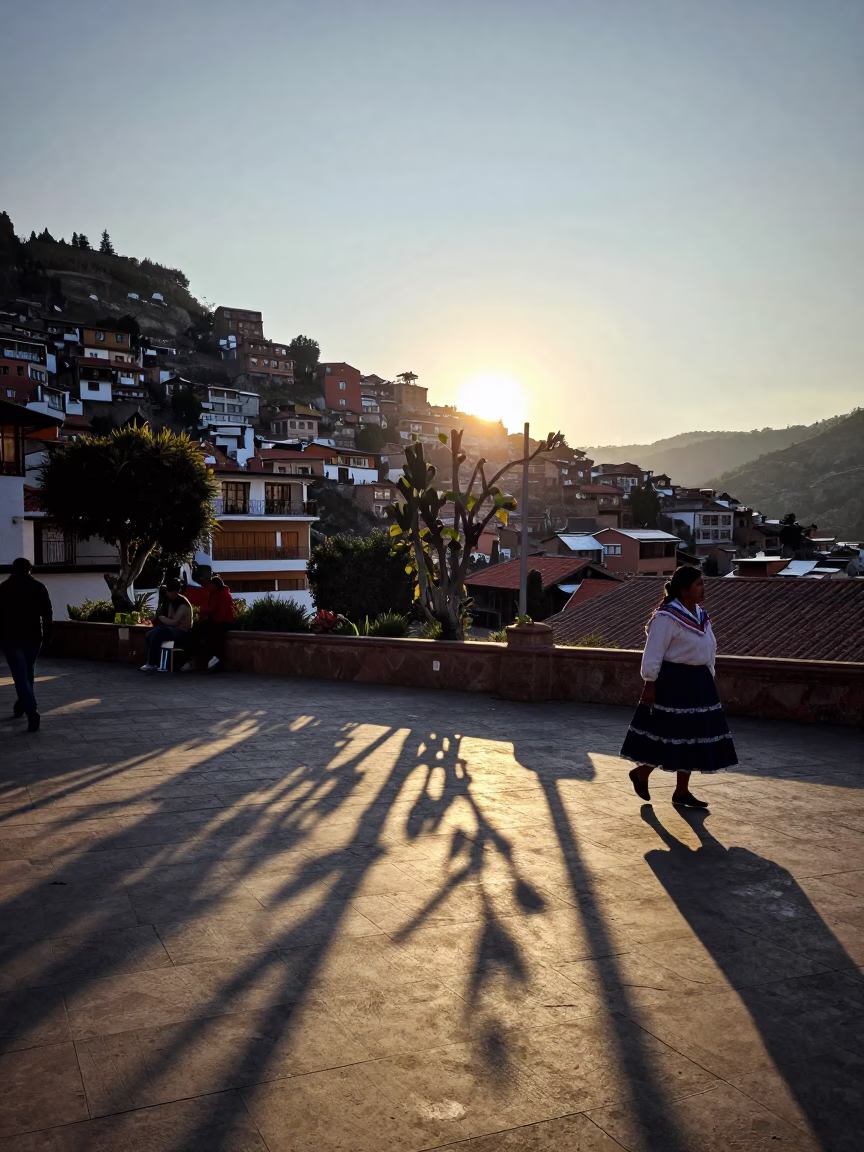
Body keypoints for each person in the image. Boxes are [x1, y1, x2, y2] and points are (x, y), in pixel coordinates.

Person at [621, 565, 737, 808]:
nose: (703, 588)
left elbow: (709, 650)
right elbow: (654, 651)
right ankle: (642, 773)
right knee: (669, 734)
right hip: (675, 682)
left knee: (693, 736)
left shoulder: (701, 616)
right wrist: (649, 682)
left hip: (699, 682)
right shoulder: (666, 617)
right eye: (699, 584)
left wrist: (709, 677)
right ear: (684, 590)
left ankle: (682, 791)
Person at [0, 557, 53, 732]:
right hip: (33, 636)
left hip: (11, 637)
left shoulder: (4, 588)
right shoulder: (38, 587)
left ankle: (30, 709)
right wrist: (48, 636)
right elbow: (47, 613)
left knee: (20, 674)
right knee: (27, 671)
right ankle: (23, 705)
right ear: (30, 569)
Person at [180, 574, 234, 671]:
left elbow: (220, 613)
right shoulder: (213, 594)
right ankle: (192, 660)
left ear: (214, 585)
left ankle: (212, 660)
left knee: (210, 635)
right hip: (215, 621)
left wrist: (206, 615)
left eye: (209, 585)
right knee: (195, 632)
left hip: (222, 623)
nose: (207, 588)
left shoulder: (223, 595)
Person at [140, 578, 193, 671]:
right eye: (169, 592)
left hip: (182, 631)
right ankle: (152, 662)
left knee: (159, 631)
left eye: (173, 592)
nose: (170, 595)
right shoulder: (170, 602)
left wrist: (163, 619)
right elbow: (169, 618)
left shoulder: (183, 604)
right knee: (150, 634)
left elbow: (175, 622)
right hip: (172, 629)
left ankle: (151, 663)